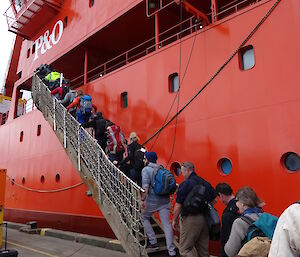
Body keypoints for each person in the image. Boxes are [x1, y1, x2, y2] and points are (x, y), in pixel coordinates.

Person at [172, 162, 217, 257]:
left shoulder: (186, 184)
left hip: (191, 219)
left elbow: (178, 205)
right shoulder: (204, 182)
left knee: (185, 249)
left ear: (187, 171)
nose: (182, 173)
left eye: (182, 171)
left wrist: (174, 219)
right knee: (203, 250)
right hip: (205, 219)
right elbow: (214, 199)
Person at [141, 151, 176, 257]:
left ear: (147, 159)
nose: (143, 160)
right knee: (167, 225)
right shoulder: (161, 168)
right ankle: (172, 251)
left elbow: (145, 188)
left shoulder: (146, 170)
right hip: (165, 201)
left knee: (144, 218)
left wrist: (143, 200)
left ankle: (153, 242)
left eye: (144, 158)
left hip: (152, 201)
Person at [224, 187, 264, 257]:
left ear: (243, 204)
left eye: (237, 201)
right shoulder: (265, 217)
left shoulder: (240, 222)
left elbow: (230, 251)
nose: (236, 204)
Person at [216, 183, 240, 257]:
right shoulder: (240, 205)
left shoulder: (228, 213)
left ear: (221, 195)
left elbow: (226, 236)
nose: (220, 201)